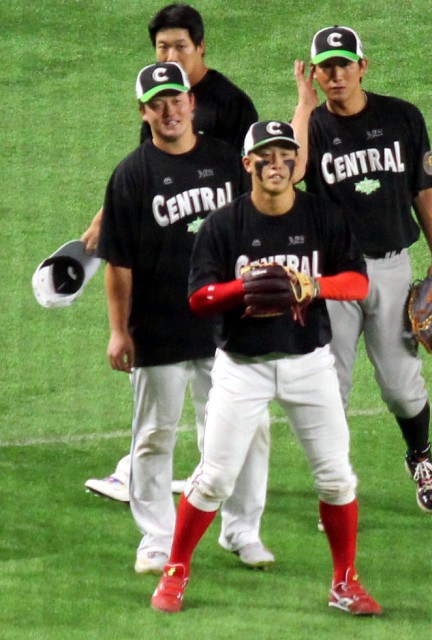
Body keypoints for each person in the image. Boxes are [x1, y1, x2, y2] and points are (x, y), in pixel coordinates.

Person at [150, 120, 382, 616]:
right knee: (214, 479)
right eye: (266, 156)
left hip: (309, 364)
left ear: (296, 163)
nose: (276, 164)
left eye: (284, 156)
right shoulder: (224, 224)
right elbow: (198, 298)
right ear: (248, 163)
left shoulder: (322, 215)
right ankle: (175, 571)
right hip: (242, 367)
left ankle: (344, 582)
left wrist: (313, 286)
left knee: (337, 478)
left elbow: (358, 283)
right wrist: (244, 287)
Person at [83, 4, 265, 559]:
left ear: (191, 102)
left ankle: (242, 530)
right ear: (144, 111)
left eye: (176, 100)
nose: (169, 111)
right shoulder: (131, 175)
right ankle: (158, 540)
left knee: (242, 430)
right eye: (157, 103)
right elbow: (118, 262)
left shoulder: (228, 162)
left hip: (223, 325)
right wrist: (119, 331)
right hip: (158, 328)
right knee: (153, 437)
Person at [292, 26, 432, 514]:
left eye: (344, 64)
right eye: (326, 67)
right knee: (329, 389)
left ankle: (420, 458)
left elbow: (425, 190)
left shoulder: (402, 117)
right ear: (315, 73)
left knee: (402, 388)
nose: (336, 74)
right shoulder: (312, 126)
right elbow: (291, 173)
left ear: (363, 66)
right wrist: (303, 106)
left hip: (391, 268)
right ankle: (336, 489)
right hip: (332, 277)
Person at [81, 2, 257, 251]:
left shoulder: (232, 104)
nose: (171, 57)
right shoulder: (155, 100)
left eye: (181, 46)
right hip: (170, 222)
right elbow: (148, 165)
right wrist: (106, 217)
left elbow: (244, 178)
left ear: (201, 46)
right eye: (163, 47)